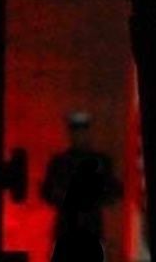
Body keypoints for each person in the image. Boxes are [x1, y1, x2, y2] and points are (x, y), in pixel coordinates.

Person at [40, 112, 122, 262]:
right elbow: (47, 192)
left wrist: (93, 196)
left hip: (91, 229)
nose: (79, 136)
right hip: (67, 229)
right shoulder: (60, 162)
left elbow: (114, 192)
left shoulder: (100, 162)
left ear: (87, 133)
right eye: (76, 132)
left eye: (82, 132)